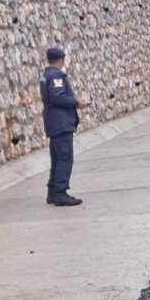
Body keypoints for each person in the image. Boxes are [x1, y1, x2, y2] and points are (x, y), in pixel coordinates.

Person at [39, 47, 87, 206]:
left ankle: (52, 191)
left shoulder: (46, 75)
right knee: (65, 158)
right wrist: (76, 102)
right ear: (61, 59)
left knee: (57, 158)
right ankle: (60, 193)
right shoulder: (56, 75)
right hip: (61, 123)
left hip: (53, 123)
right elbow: (57, 97)